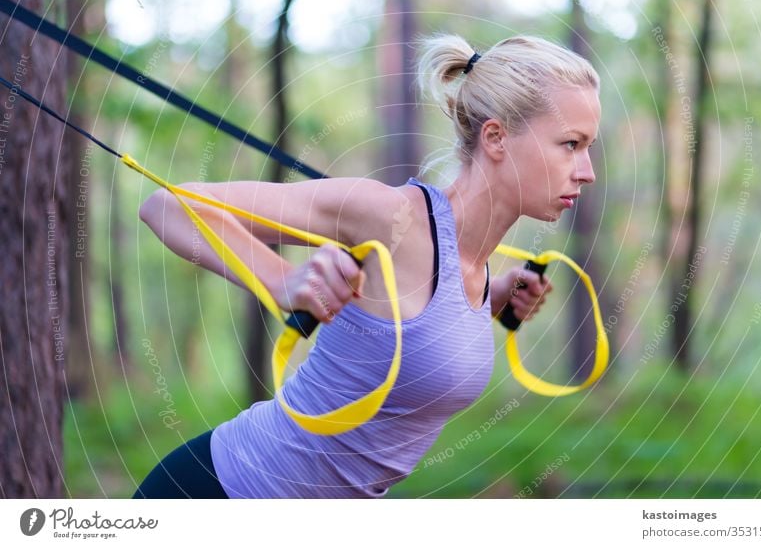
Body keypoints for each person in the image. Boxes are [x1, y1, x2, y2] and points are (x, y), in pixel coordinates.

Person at [132, 32, 600, 499]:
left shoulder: (472, 264)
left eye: (588, 147)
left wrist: (491, 300)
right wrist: (280, 279)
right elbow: (166, 207)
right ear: (496, 138)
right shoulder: (387, 215)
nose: (587, 170)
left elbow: (411, 329)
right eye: (570, 144)